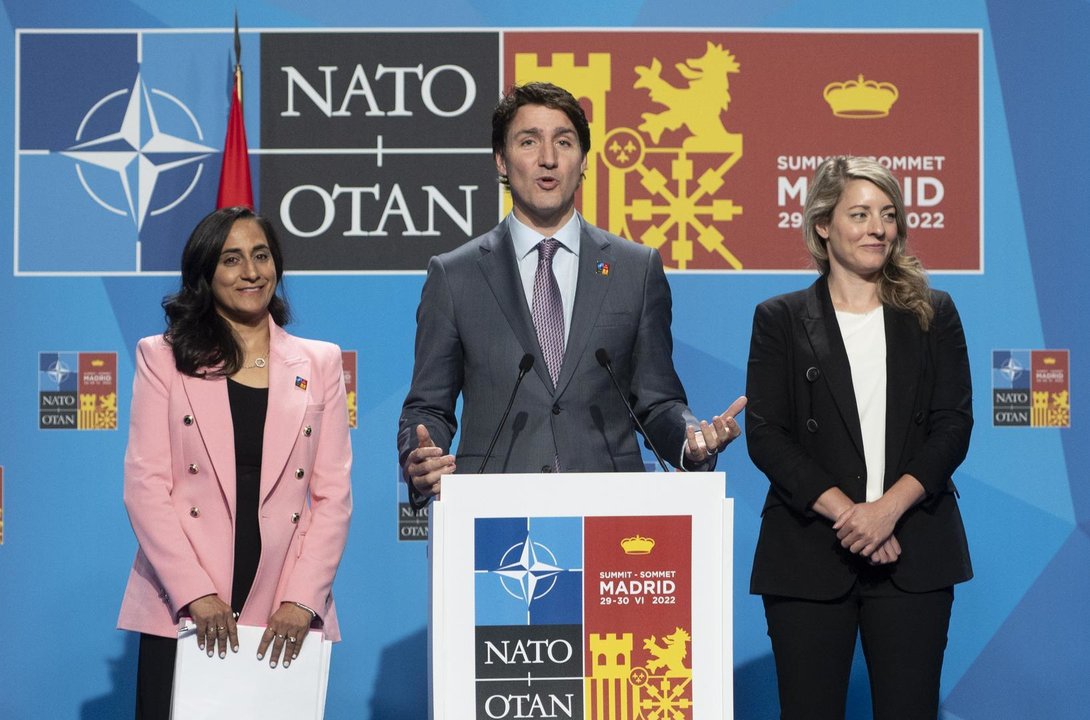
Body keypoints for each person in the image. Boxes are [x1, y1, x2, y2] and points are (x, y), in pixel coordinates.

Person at [398, 81, 746, 503]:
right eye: (529, 142)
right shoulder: (455, 276)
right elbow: (428, 408)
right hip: (494, 514)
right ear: (501, 162)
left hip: (610, 511)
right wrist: (421, 456)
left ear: (583, 161)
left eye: (563, 142)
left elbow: (655, 402)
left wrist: (690, 440)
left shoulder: (635, 269)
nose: (547, 159)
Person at [745, 156, 973, 719]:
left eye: (889, 215)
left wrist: (886, 512)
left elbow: (953, 425)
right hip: (808, 552)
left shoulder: (932, 313)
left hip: (912, 551)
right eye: (861, 214)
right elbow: (766, 435)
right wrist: (854, 516)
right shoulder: (779, 318)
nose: (878, 228)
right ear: (823, 224)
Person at [117, 206, 353, 718]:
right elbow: (145, 485)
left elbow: (333, 497)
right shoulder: (164, 358)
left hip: (281, 612)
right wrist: (195, 592)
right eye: (232, 259)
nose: (251, 272)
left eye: (262, 256)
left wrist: (303, 598)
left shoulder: (320, 362)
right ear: (205, 274)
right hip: (183, 606)